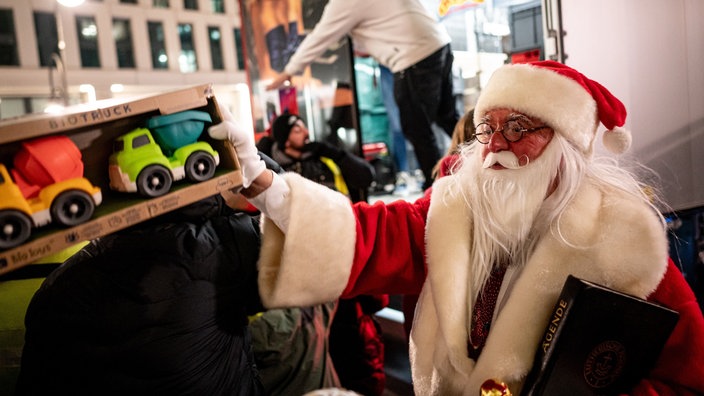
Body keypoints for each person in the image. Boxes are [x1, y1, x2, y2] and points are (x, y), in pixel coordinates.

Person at [211, 60, 704, 395]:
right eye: (488, 127)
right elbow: (373, 235)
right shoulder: (453, 208)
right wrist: (260, 180)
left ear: (566, 145)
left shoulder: (624, 245)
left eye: (519, 127)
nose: (494, 147)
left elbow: (685, 377)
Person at [265, 0, 459, 190]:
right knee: (447, 117)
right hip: (438, 42)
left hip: (413, 57)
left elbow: (320, 37)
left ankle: (437, 189)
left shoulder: (344, 3)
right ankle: (478, 162)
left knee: (417, 128)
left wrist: (288, 72)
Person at [263, 112, 387, 396]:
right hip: (300, 269)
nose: (304, 131)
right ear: (283, 137)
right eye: (296, 128)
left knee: (354, 342)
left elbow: (365, 175)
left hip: (340, 259)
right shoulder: (274, 169)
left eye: (304, 125)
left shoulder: (324, 157)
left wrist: (335, 153)